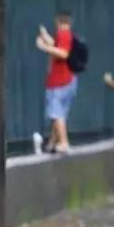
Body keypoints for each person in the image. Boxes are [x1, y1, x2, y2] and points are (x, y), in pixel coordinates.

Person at [36, 11, 77, 153]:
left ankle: (64, 142)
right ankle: (52, 143)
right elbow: (58, 46)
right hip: (68, 80)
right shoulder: (68, 36)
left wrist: (43, 47)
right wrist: (46, 37)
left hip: (59, 81)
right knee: (59, 113)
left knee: (56, 112)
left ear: (59, 22)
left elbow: (63, 53)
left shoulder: (63, 34)